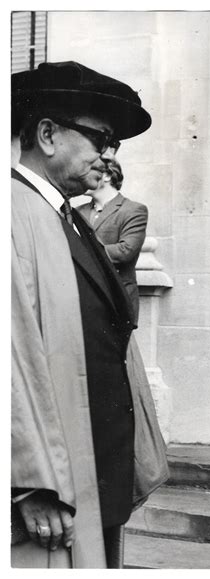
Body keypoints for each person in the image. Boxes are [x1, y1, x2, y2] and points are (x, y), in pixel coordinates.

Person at [11, 61, 169, 568]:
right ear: (48, 134)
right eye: (101, 138)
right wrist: (26, 481)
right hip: (53, 487)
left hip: (96, 467)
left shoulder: (64, 218)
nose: (107, 154)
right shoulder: (13, 214)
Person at [76, 159, 147, 324]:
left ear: (107, 175)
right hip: (85, 301)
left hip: (118, 300)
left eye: (88, 171)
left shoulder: (133, 210)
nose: (82, 177)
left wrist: (82, 253)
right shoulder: (78, 212)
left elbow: (125, 251)